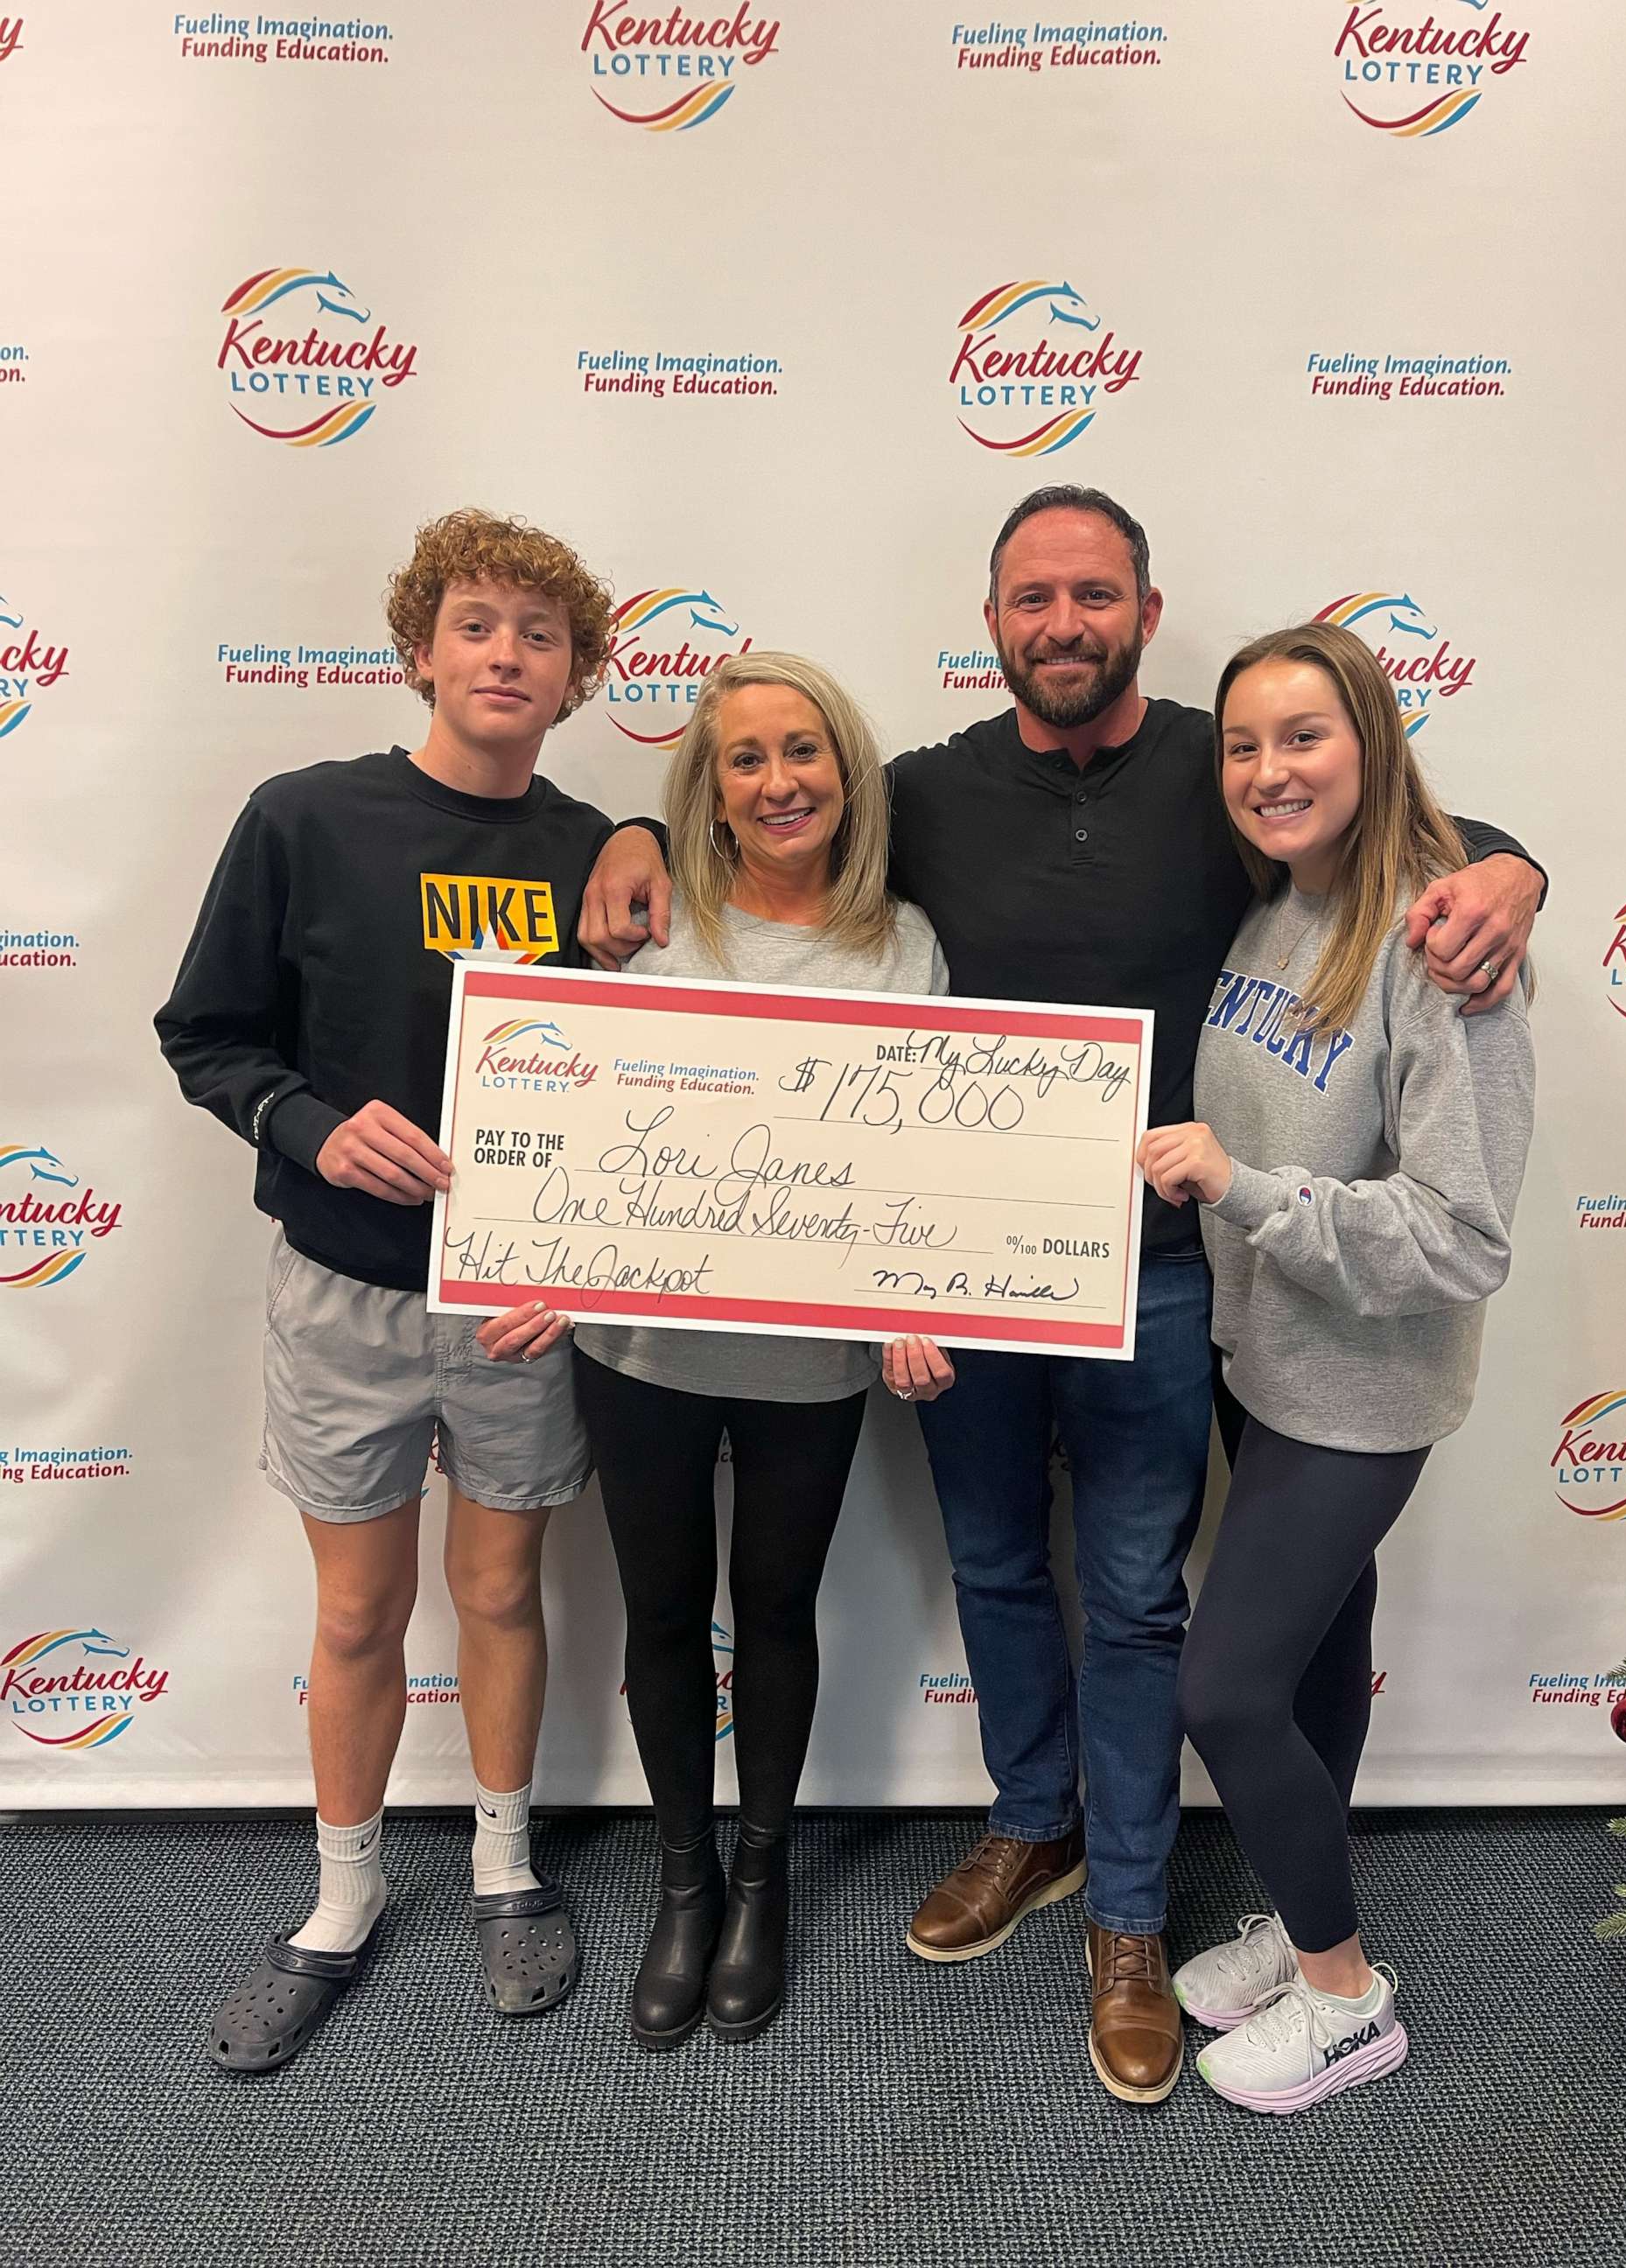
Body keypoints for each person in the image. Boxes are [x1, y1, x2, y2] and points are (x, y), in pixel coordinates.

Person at [574, 487, 1547, 2104]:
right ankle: (1031, 1824)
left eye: (1096, 594)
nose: (1065, 623)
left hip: (1171, 1269)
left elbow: (1395, 830)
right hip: (969, 1265)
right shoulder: (925, 793)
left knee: (1143, 1596)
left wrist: (1517, 868)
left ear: (1147, 615)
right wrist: (620, 832)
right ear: (993, 619)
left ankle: (1131, 1915)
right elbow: (757, 810)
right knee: (993, 1565)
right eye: (1035, 597)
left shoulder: (1224, 770)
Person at [156, 509, 616, 2071]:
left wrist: (596, 1249)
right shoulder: (304, 818)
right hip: (344, 1292)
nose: (506, 656)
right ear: (418, 648)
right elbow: (207, 1034)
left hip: (519, 1301)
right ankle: (340, 1897)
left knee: (499, 1589)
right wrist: (306, 1121)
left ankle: (502, 1866)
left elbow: (658, 1088)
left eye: (540, 638)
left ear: (576, 679)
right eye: (477, 625)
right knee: (358, 1609)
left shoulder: (599, 852)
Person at [481, 651, 955, 2049]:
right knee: (664, 1614)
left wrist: (922, 1294)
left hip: (811, 1357)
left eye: (802, 750)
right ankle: (683, 1885)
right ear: (708, 786)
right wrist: (544, 1248)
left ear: (845, 768)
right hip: (642, 1348)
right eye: (743, 759)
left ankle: (762, 1881)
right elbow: (574, 1106)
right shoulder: (648, 922)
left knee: (782, 1611)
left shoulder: (904, 943)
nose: (778, 781)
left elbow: (925, 1146)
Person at [1138, 622, 1534, 2112]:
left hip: (1360, 1397)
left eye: (1303, 736)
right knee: (1306, 1660)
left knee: (1224, 1690)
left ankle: (1348, 1999)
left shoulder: (1441, 958)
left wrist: (1241, 1190)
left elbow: (1460, 1238)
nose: (1267, 769)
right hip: (1267, 1363)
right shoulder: (1275, 916)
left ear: (1371, 739)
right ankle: (1310, 1920)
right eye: (1243, 745)